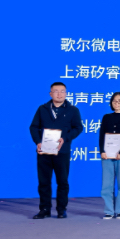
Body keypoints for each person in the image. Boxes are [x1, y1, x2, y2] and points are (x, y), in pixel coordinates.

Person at [29, 82, 83, 219]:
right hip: (44, 152)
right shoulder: (42, 109)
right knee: (44, 182)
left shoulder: (73, 110)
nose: (59, 94)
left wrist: (66, 138)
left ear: (66, 93)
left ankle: (61, 209)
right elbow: (33, 127)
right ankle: (44, 209)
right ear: (50, 94)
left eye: (62, 91)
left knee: (62, 182)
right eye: (56, 91)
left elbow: (78, 128)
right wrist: (38, 142)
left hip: (62, 151)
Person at [99, 92, 120, 219]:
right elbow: (102, 135)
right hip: (107, 155)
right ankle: (108, 210)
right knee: (106, 185)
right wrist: (102, 151)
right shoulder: (106, 117)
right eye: (114, 101)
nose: (117, 103)